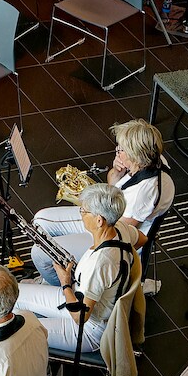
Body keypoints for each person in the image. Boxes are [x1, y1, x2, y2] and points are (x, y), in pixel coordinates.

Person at [30, 119, 171, 280]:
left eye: (121, 149)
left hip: (108, 235)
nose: (117, 152)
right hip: (105, 215)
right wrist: (118, 172)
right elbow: (113, 186)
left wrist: (89, 212)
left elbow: (117, 231)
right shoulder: (152, 158)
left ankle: (65, 289)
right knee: (40, 221)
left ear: (135, 155)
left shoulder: (143, 193)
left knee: (39, 253)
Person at [16, 183, 140, 356]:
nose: (80, 214)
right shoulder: (120, 228)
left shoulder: (100, 263)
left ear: (99, 220)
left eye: (84, 211)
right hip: (85, 302)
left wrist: (65, 283)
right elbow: (141, 238)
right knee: (14, 295)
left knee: (20, 330)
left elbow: (80, 317)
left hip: (89, 331)